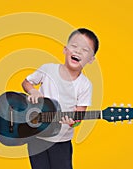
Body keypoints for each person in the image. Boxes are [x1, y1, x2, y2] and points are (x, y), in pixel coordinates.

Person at [21, 28, 99, 169]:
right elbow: (26, 82)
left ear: (91, 59)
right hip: (36, 137)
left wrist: (72, 122)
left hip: (61, 141)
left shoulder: (85, 85)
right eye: (74, 46)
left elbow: (78, 117)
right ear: (65, 49)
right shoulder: (47, 69)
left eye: (85, 50)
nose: (78, 51)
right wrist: (32, 91)